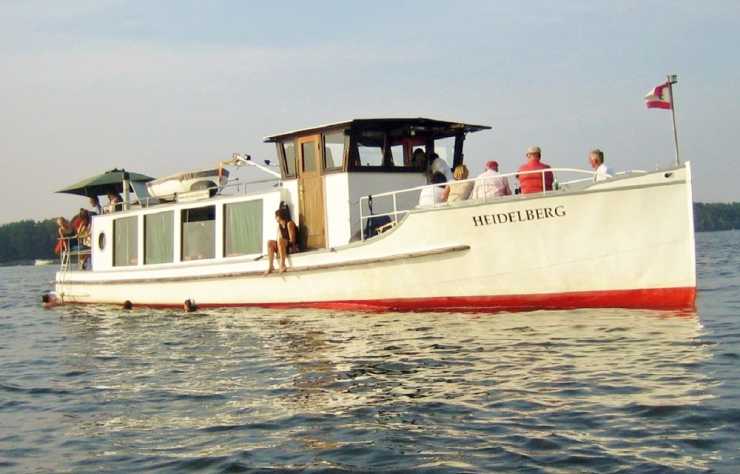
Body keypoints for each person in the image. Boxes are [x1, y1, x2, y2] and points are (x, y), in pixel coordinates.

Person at [264, 207, 298, 275]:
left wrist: (281, 242)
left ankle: (282, 265)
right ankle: (271, 266)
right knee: (269, 242)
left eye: (276, 216)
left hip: (292, 246)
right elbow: (279, 239)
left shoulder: (289, 223)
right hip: (284, 245)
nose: (275, 218)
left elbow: (293, 240)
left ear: (279, 216)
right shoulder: (280, 225)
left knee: (280, 240)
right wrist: (279, 245)